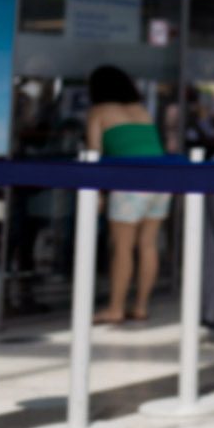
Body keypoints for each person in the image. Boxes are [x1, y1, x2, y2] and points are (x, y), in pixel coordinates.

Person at [85, 65, 168, 324]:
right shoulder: (142, 111)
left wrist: (97, 193)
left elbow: (93, 153)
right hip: (160, 180)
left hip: (129, 183)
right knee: (148, 245)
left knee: (122, 248)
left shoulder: (99, 112)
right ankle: (141, 306)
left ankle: (115, 308)